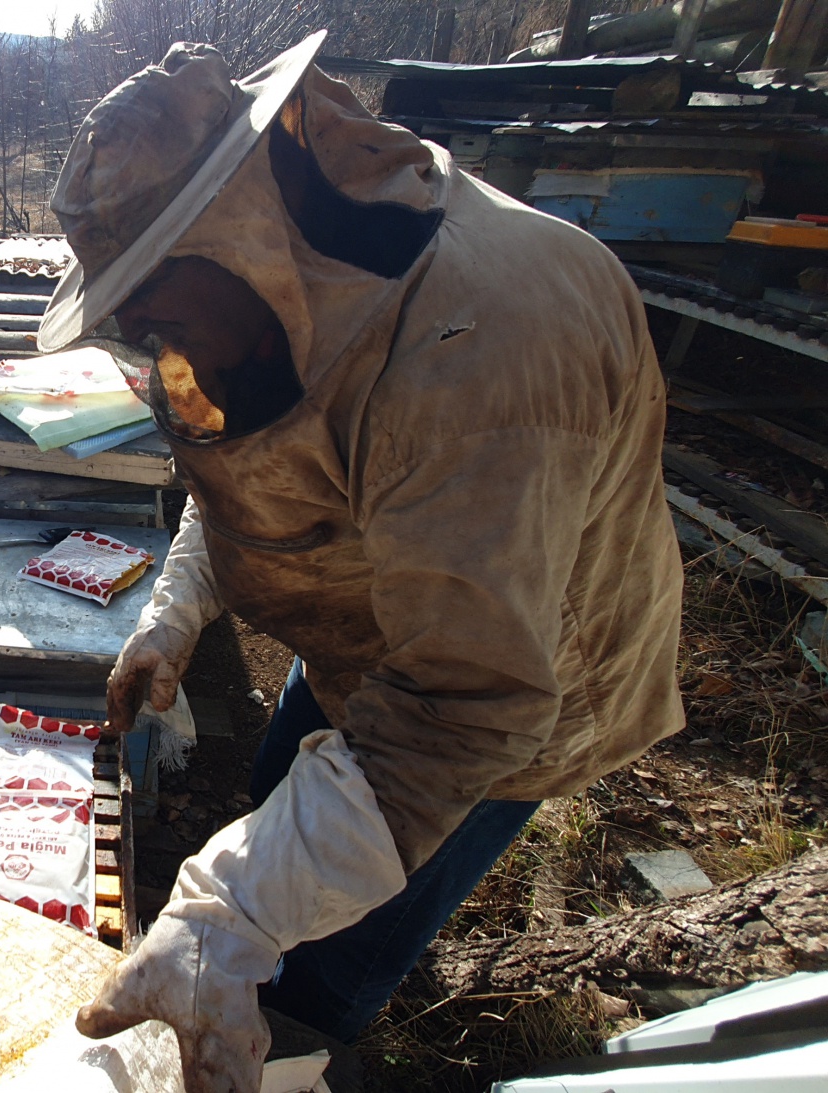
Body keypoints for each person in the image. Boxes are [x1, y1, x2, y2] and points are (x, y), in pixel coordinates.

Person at [37, 32, 686, 1093]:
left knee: (320, 972)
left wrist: (234, 907)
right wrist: (175, 610)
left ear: (237, 229)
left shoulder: (476, 365)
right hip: (372, 614)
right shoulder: (270, 293)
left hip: (505, 686)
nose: (137, 332)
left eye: (146, 297)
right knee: (273, 809)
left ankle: (303, 1047)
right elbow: (248, 460)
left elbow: (459, 704)